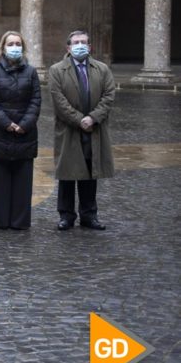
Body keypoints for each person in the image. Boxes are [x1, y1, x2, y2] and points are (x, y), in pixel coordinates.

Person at [48, 29, 115, 231]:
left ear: (89, 46)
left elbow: (109, 95)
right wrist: (79, 120)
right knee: (67, 173)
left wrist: (93, 118)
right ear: (68, 47)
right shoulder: (57, 70)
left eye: (83, 42)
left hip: (94, 128)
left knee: (89, 171)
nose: (80, 45)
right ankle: (66, 216)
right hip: (69, 129)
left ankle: (89, 215)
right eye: (76, 42)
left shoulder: (101, 69)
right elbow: (58, 101)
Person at [0, 31, 41, 230]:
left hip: (25, 132)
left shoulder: (31, 72)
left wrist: (24, 123)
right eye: (10, 43)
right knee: (0, 179)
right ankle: (0, 219)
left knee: (24, 180)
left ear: (22, 48)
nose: (14, 47)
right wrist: (7, 123)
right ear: (3, 47)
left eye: (18, 44)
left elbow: (35, 100)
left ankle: (20, 220)